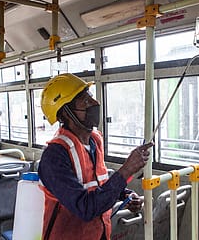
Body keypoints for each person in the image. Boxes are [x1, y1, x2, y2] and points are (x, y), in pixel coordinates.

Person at [38, 73, 152, 240]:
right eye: (84, 101)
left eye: (90, 97)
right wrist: (127, 170)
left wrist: (124, 194)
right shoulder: (54, 157)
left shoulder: (95, 141)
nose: (94, 103)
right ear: (66, 113)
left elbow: (99, 184)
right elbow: (85, 208)